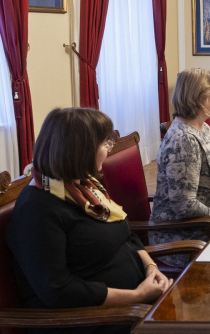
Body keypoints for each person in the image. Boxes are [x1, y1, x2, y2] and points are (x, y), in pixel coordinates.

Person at [7, 108, 172, 314]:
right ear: (79, 151)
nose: (109, 149)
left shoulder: (84, 187)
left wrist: (151, 269)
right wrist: (137, 296)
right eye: (104, 143)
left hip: (136, 301)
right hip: (92, 318)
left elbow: (125, 235)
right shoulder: (37, 209)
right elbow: (58, 290)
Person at [150, 68, 210, 268]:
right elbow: (184, 204)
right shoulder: (183, 139)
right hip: (190, 236)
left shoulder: (202, 127)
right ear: (198, 98)